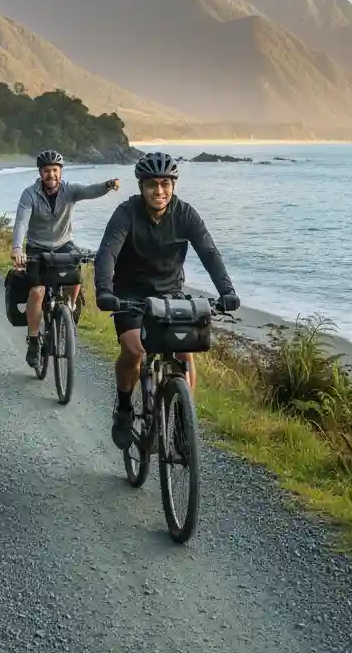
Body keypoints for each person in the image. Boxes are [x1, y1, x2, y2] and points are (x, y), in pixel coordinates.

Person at [93, 151, 241, 451]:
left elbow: (209, 252)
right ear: (141, 187)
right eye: (152, 185)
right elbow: (107, 252)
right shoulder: (126, 213)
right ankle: (124, 408)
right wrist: (104, 291)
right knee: (134, 350)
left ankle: (184, 425)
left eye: (165, 184)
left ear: (173, 185)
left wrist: (227, 291)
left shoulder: (185, 214)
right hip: (129, 295)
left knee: (186, 355)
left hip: (170, 293)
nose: (159, 191)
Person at [11, 149, 119, 368]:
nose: (51, 175)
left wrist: (107, 185)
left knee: (75, 279)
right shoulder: (29, 194)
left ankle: (68, 311)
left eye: (55, 170)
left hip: (64, 244)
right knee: (37, 291)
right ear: (41, 173)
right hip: (37, 247)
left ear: (61, 171)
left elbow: (90, 190)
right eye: (47, 171)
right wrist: (17, 248)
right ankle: (33, 340)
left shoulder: (70, 190)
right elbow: (21, 222)